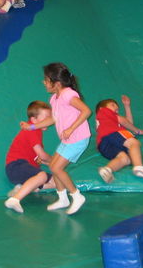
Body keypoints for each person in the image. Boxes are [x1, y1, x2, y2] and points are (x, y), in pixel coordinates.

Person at [20, 62, 91, 215]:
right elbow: (53, 119)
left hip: (78, 138)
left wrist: (71, 128)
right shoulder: (54, 99)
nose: (43, 82)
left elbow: (86, 111)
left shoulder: (68, 94)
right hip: (68, 140)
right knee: (53, 166)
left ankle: (77, 196)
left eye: (46, 80)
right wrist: (31, 127)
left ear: (57, 83)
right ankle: (63, 199)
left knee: (57, 168)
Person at [4, 101, 56, 214]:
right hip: (15, 166)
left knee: (57, 182)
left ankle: (24, 187)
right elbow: (42, 155)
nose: (49, 120)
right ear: (34, 120)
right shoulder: (31, 131)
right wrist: (55, 160)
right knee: (42, 175)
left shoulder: (36, 131)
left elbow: (37, 157)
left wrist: (45, 162)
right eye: (46, 117)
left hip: (25, 169)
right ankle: (15, 199)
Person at [95, 95, 143, 183]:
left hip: (103, 145)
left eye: (117, 108)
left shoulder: (106, 120)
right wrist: (137, 130)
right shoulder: (104, 112)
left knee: (125, 159)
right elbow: (123, 121)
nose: (116, 107)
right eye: (112, 105)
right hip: (112, 133)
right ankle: (139, 167)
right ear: (101, 108)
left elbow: (128, 123)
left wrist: (127, 106)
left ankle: (107, 169)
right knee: (134, 143)